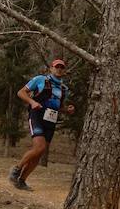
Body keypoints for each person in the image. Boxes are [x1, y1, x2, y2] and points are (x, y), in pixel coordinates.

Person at [8, 59, 75, 191]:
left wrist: (67, 110)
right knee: (39, 147)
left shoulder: (63, 88)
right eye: (57, 67)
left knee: (40, 153)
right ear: (51, 68)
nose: (59, 69)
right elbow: (21, 92)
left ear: (64, 71)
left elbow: (59, 106)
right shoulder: (40, 80)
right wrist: (32, 102)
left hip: (51, 119)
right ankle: (16, 170)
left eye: (62, 67)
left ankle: (21, 181)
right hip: (37, 115)